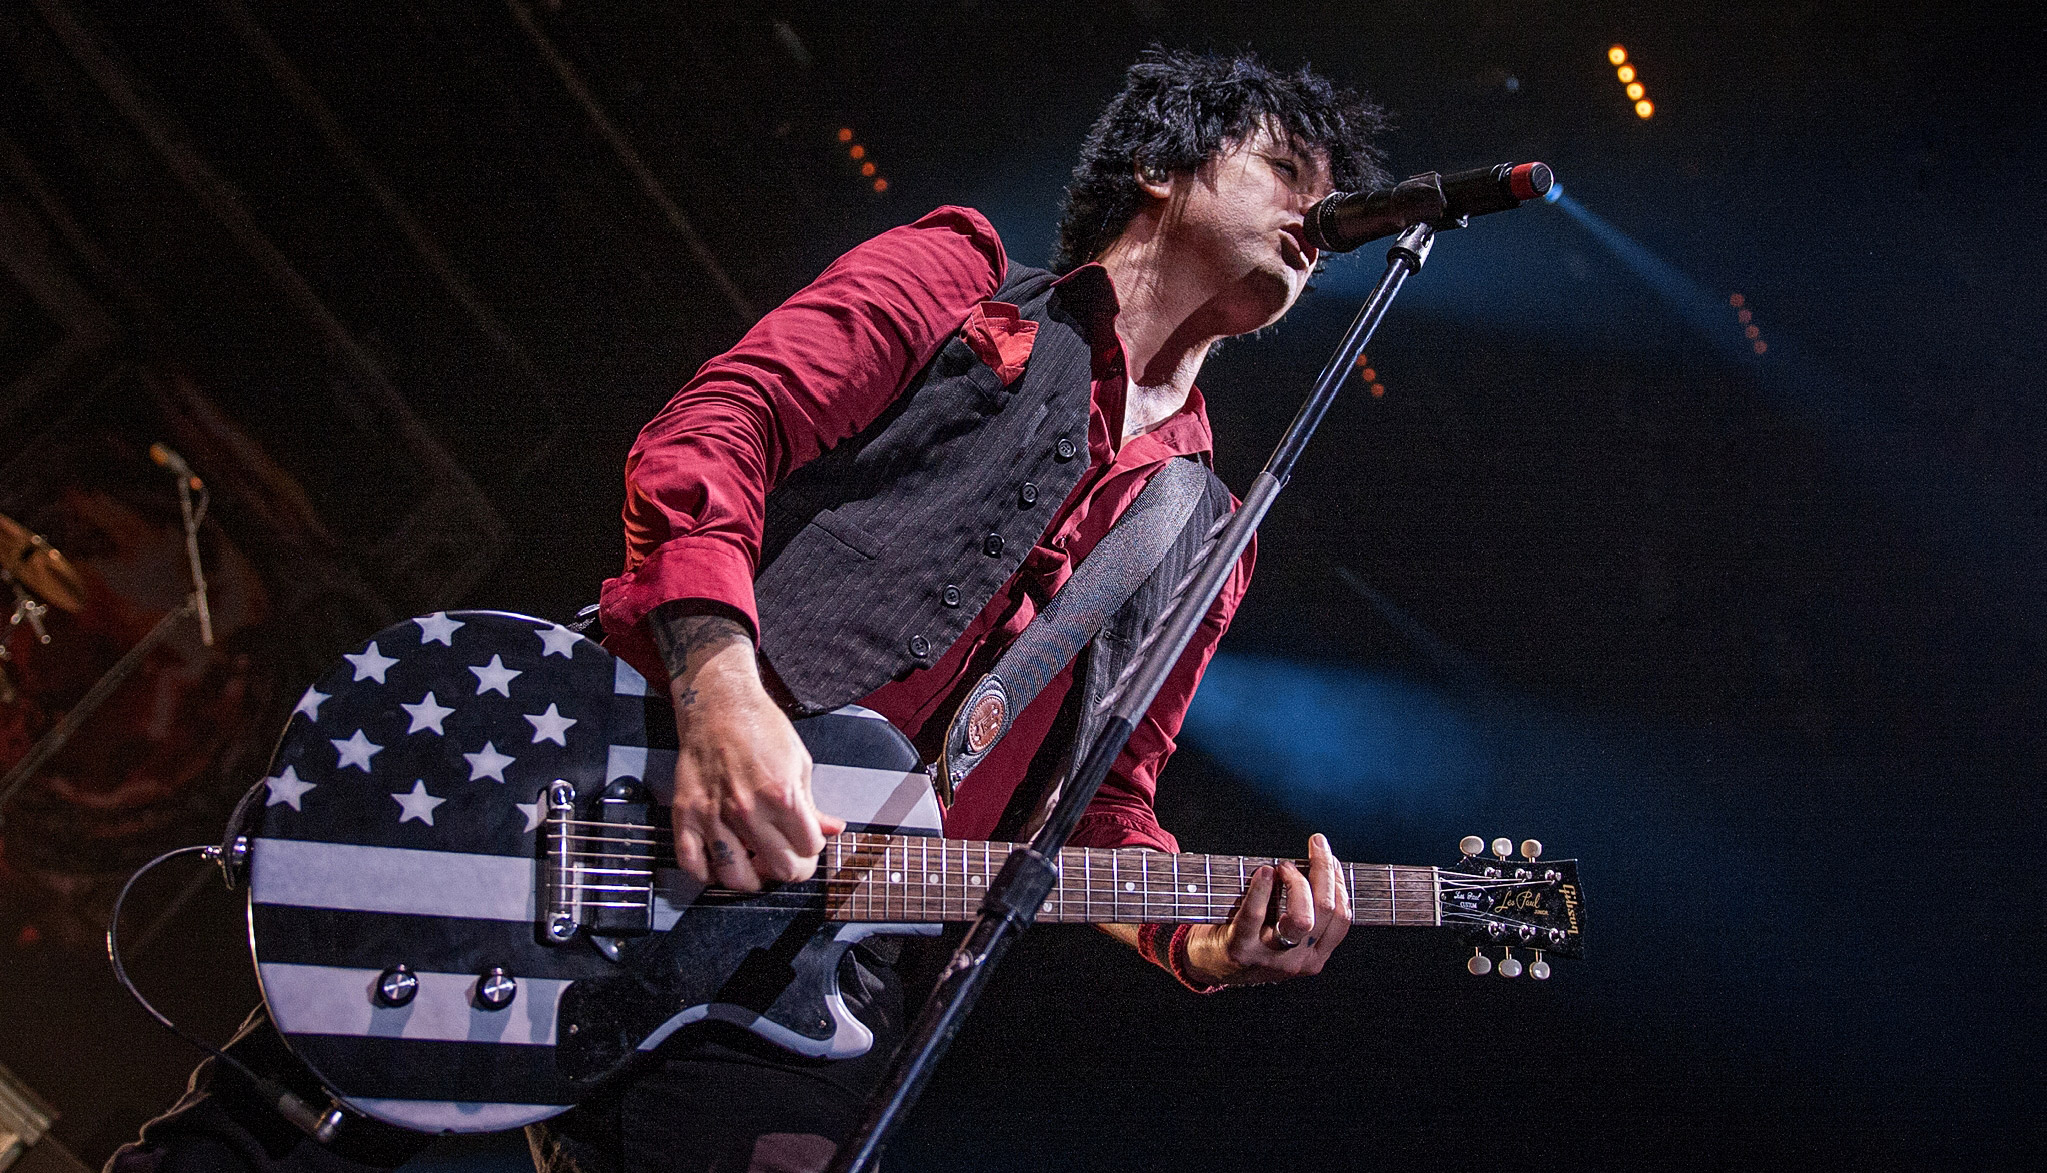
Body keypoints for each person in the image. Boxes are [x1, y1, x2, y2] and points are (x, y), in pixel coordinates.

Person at [108, 46, 1390, 1173]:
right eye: (1288, 170)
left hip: (823, 969)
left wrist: (1202, 943)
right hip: (608, 787)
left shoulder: (1208, 538)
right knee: (270, 1141)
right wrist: (719, 686)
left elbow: (1099, 810)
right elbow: (715, 434)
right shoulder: (964, 282)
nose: (1318, 214)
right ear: (1164, 167)